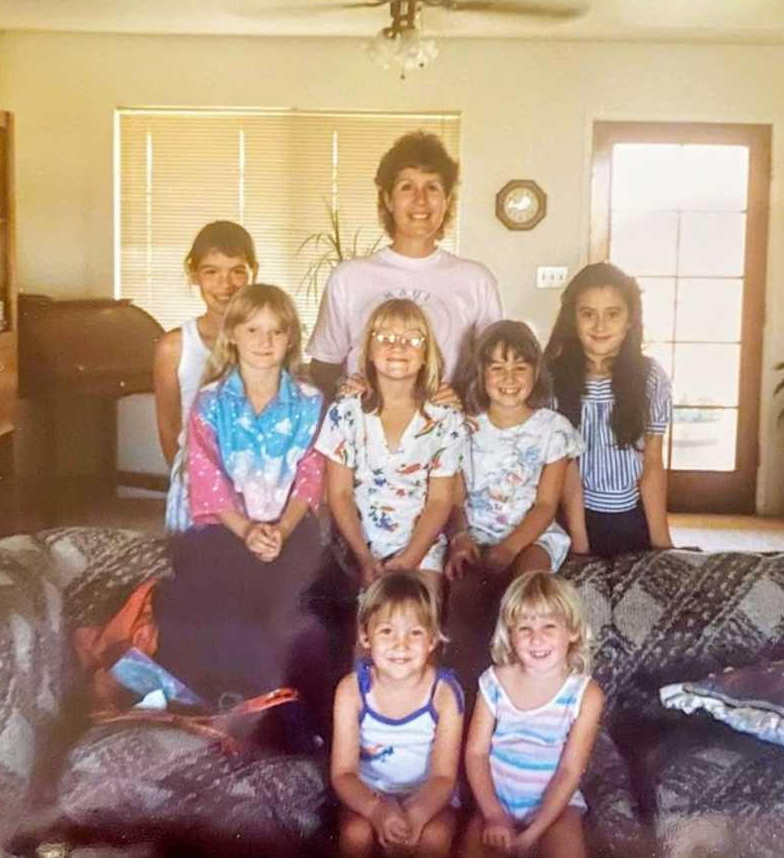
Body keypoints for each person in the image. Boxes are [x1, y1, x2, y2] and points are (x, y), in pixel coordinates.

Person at [151, 283, 331, 717]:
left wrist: (280, 532)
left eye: (276, 332)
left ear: (291, 338)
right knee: (214, 602)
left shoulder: (309, 402)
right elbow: (206, 478)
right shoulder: (211, 402)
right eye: (253, 330)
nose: (265, 342)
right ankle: (217, 697)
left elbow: (311, 474)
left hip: (289, 527)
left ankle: (279, 705)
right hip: (225, 526)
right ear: (233, 335)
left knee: (288, 606)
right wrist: (247, 530)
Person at [307, 130, 502, 401]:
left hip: (447, 433)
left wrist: (457, 398)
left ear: (447, 200)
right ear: (388, 199)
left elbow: (496, 370)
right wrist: (348, 393)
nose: (420, 199)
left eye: (432, 187)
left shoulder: (476, 280)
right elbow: (324, 367)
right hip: (366, 432)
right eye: (407, 187)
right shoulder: (349, 278)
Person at [316, 298, 465, 599]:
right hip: (359, 544)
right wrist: (364, 558)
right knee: (368, 627)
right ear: (369, 351)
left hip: (420, 546)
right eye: (384, 338)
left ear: (427, 354)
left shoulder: (445, 419)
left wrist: (410, 559)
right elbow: (339, 494)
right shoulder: (346, 412)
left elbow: (439, 500)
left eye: (412, 339)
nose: (398, 347)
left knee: (419, 613)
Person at [460, 572, 603, 858]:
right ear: (510, 635)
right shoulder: (493, 681)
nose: (536, 638)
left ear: (572, 631)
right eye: (524, 628)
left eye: (549, 626)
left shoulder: (585, 694)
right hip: (496, 802)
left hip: (555, 808)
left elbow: (570, 770)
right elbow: (476, 753)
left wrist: (535, 832)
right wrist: (493, 815)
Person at [543, 263, 674, 558]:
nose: (600, 326)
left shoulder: (650, 376)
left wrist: (662, 545)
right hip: (570, 518)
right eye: (588, 314)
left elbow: (652, 464)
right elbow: (564, 469)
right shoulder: (551, 379)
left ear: (630, 320)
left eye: (613, 314)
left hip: (631, 514)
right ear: (572, 320)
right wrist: (579, 545)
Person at [331, 571, 464, 857]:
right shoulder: (351, 691)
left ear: (432, 640)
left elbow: (443, 776)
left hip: (428, 795)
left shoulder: (444, 694)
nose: (400, 644)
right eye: (387, 631)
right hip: (369, 792)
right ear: (365, 636)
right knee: (356, 835)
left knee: (434, 838)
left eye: (414, 632)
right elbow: (343, 773)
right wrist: (377, 809)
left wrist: (416, 814)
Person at [447, 320, 585, 581]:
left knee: (528, 586)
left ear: (536, 373)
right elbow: (454, 501)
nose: (509, 378)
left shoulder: (554, 428)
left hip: (532, 537)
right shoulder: (463, 427)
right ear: (481, 373)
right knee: (463, 595)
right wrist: (460, 539)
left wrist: (510, 547)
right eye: (497, 368)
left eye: (520, 367)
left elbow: (546, 505)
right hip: (475, 535)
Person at [153, 220, 257, 533]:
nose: (225, 284)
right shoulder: (174, 346)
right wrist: (194, 482)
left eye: (237, 270)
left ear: (254, 271)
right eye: (211, 271)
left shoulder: (269, 342)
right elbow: (168, 425)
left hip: (257, 483)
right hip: (197, 483)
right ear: (194, 274)